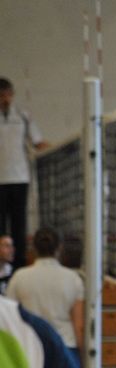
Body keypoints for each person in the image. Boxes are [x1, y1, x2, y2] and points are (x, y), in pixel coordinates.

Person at [6, 227, 84, 368]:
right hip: (65, 347)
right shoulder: (73, 279)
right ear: (59, 248)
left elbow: (10, 317)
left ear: (34, 248)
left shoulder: (19, 277)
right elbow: (78, 325)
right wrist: (81, 358)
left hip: (30, 346)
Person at [0, 78, 48, 269]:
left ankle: (18, 264)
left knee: (19, 225)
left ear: (12, 95)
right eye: (1, 95)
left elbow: (38, 142)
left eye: (7, 95)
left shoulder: (23, 116)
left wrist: (63, 148)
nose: (5, 99)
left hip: (19, 178)